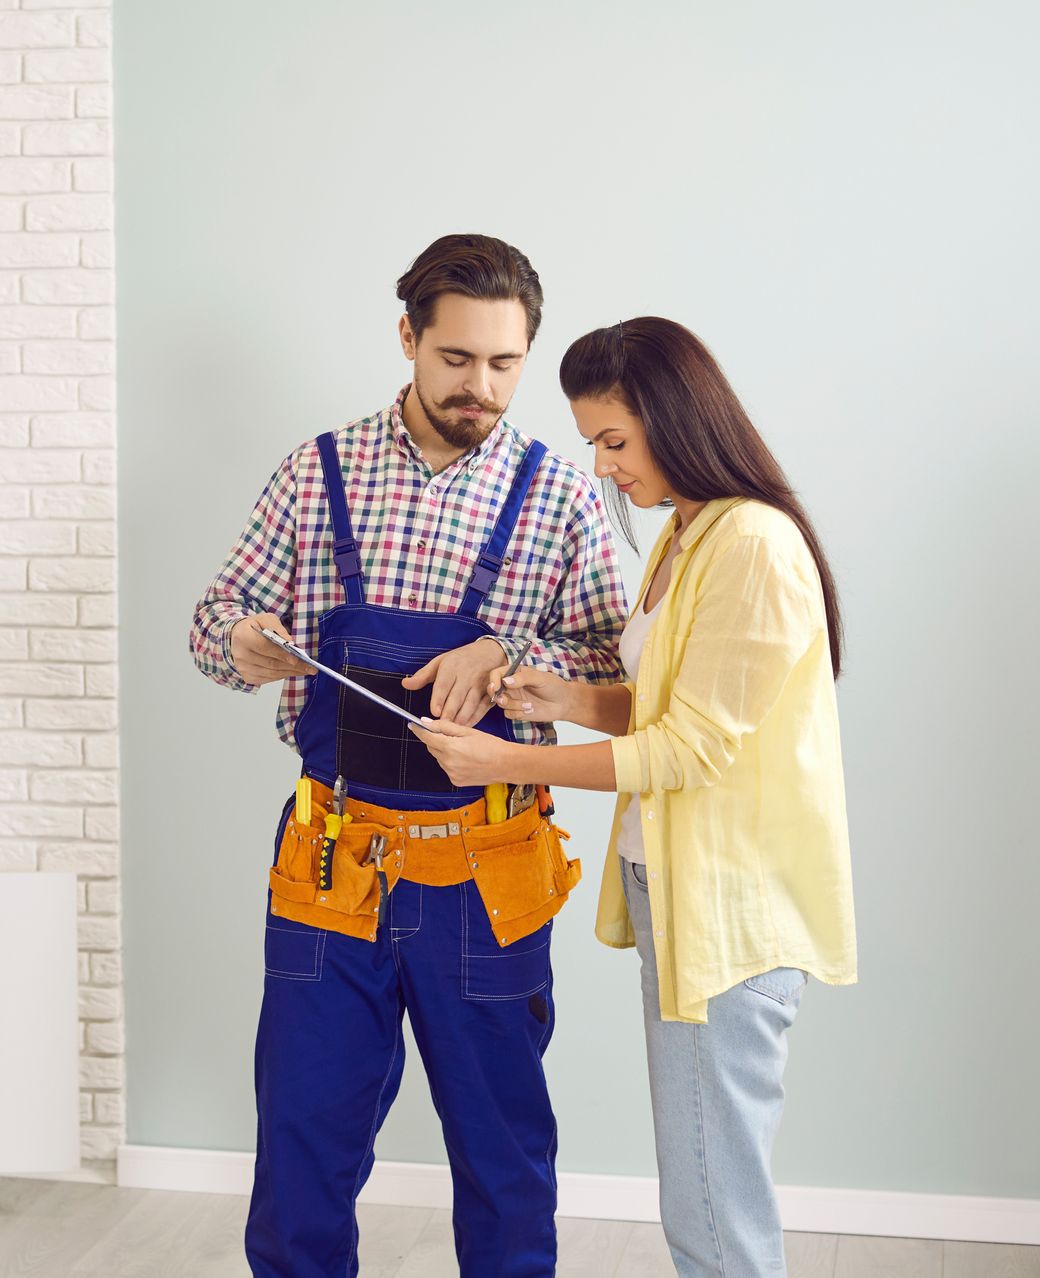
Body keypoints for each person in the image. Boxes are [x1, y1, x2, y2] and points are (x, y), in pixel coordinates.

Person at [189, 233, 628, 1277]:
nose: (481, 386)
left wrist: (510, 654)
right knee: (301, 1149)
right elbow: (213, 625)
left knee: (503, 1154)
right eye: (457, 360)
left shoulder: (562, 496)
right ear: (408, 339)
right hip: (329, 867)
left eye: (504, 365)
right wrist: (247, 646)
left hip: (485, 873)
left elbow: (622, 670)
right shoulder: (315, 474)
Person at [411, 317, 859, 1277]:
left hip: (732, 912)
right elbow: (665, 707)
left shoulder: (752, 545)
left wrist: (509, 764)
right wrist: (567, 697)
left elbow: (689, 749)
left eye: (615, 441)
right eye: (593, 445)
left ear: (676, 419)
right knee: (699, 1183)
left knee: (713, 1197)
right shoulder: (684, 537)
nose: (605, 468)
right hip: (678, 895)